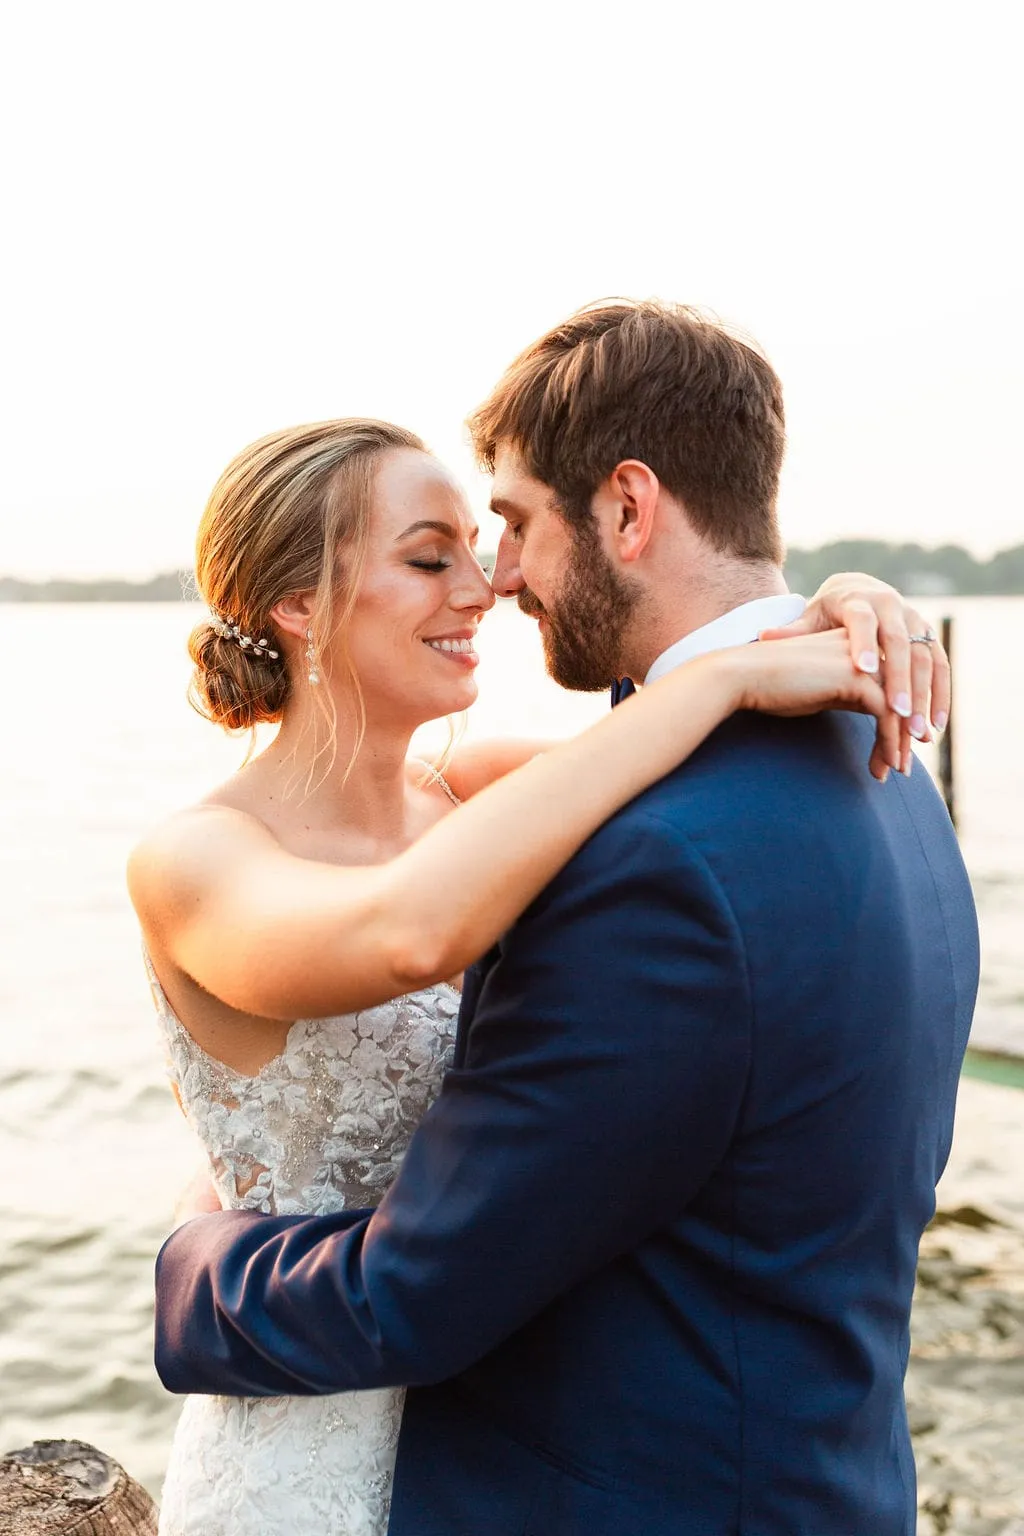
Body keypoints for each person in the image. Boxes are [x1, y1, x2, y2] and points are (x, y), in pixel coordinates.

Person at [148, 307, 975, 1536]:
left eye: (503, 531)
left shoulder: (517, 801)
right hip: (328, 1442)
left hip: (512, 1435)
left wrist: (189, 1268)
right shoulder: (201, 854)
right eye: (433, 557)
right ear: (299, 608)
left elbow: (420, 1276)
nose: (491, 582)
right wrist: (746, 657)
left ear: (628, 509)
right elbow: (401, 931)